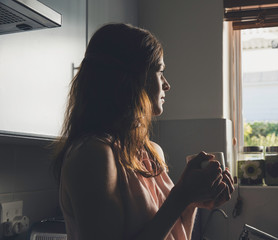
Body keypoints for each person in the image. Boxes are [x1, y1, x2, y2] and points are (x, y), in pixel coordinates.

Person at [52, 23, 234, 240]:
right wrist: (181, 195)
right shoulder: (93, 154)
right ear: (130, 79)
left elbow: (174, 233)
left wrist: (192, 200)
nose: (167, 85)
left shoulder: (151, 152)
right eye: (159, 71)